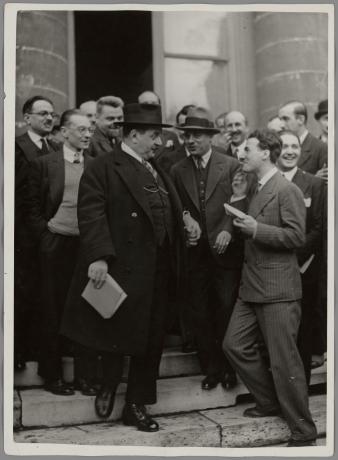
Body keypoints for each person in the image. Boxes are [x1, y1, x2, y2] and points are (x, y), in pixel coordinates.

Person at [60, 103, 200, 432]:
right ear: (133, 135)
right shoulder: (103, 167)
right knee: (113, 334)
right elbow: (91, 213)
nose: (159, 143)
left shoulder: (159, 170)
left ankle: (136, 405)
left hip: (159, 272)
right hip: (122, 269)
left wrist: (185, 223)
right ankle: (108, 385)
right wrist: (98, 256)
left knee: (151, 342)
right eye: (154, 136)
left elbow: (166, 209)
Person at [223, 129, 317, 447]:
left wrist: (256, 229)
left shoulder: (285, 189)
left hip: (278, 288)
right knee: (234, 345)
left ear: (265, 152)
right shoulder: (257, 186)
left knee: (284, 360)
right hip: (252, 286)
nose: (241, 154)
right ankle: (269, 401)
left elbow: (296, 237)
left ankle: (304, 431)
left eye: (247, 149)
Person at [171, 107, 242, 391]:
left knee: (225, 306)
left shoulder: (231, 164)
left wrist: (227, 228)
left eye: (196, 136)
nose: (190, 141)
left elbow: (239, 200)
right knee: (199, 310)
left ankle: (229, 369)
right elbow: (178, 205)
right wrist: (186, 218)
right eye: (187, 135)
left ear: (210, 138)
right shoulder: (178, 169)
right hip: (195, 252)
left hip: (225, 250)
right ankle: (210, 369)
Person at [27, 109, 95, 396]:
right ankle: (53, 376)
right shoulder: (44, 165)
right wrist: (46, 235)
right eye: (81, 130)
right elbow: (30, 207)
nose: (87, 134)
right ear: (64, 132)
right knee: (52, 310)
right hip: (55, 245)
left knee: (85, 311)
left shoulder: (96, 165)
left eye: (90, 129)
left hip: (86, 247)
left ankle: (85, 376)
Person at [276, 130, 325, 384]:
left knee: (302, 330)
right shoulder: (268, 182)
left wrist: (295, 252)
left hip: (303, 268)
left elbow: (318, 226)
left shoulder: (314, 184)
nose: (290, 151)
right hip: (273, 269)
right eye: (284, 146)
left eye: (294, 146)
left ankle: (301, 386)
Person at [15, 95, 59, 370]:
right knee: (24, 292)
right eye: (42, 113)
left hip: (50, 235)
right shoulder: (17, 148)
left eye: (52, 114)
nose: (48, 118)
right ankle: (19, 353)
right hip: (24, 237)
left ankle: (41, 352)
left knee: (47, 296)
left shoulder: (54, 148)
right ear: (27, 117)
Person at [278, 100, 327, 181]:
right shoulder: (279, 147)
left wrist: (313, 180)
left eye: (286, 119)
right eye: (280, 120)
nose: (281, 125)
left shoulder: (321, 148)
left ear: (301, 119)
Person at [137, 90, 180, 156]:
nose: (150, 108)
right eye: (145, 104)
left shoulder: (171, 136)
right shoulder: (131, 136)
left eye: (153, 104)